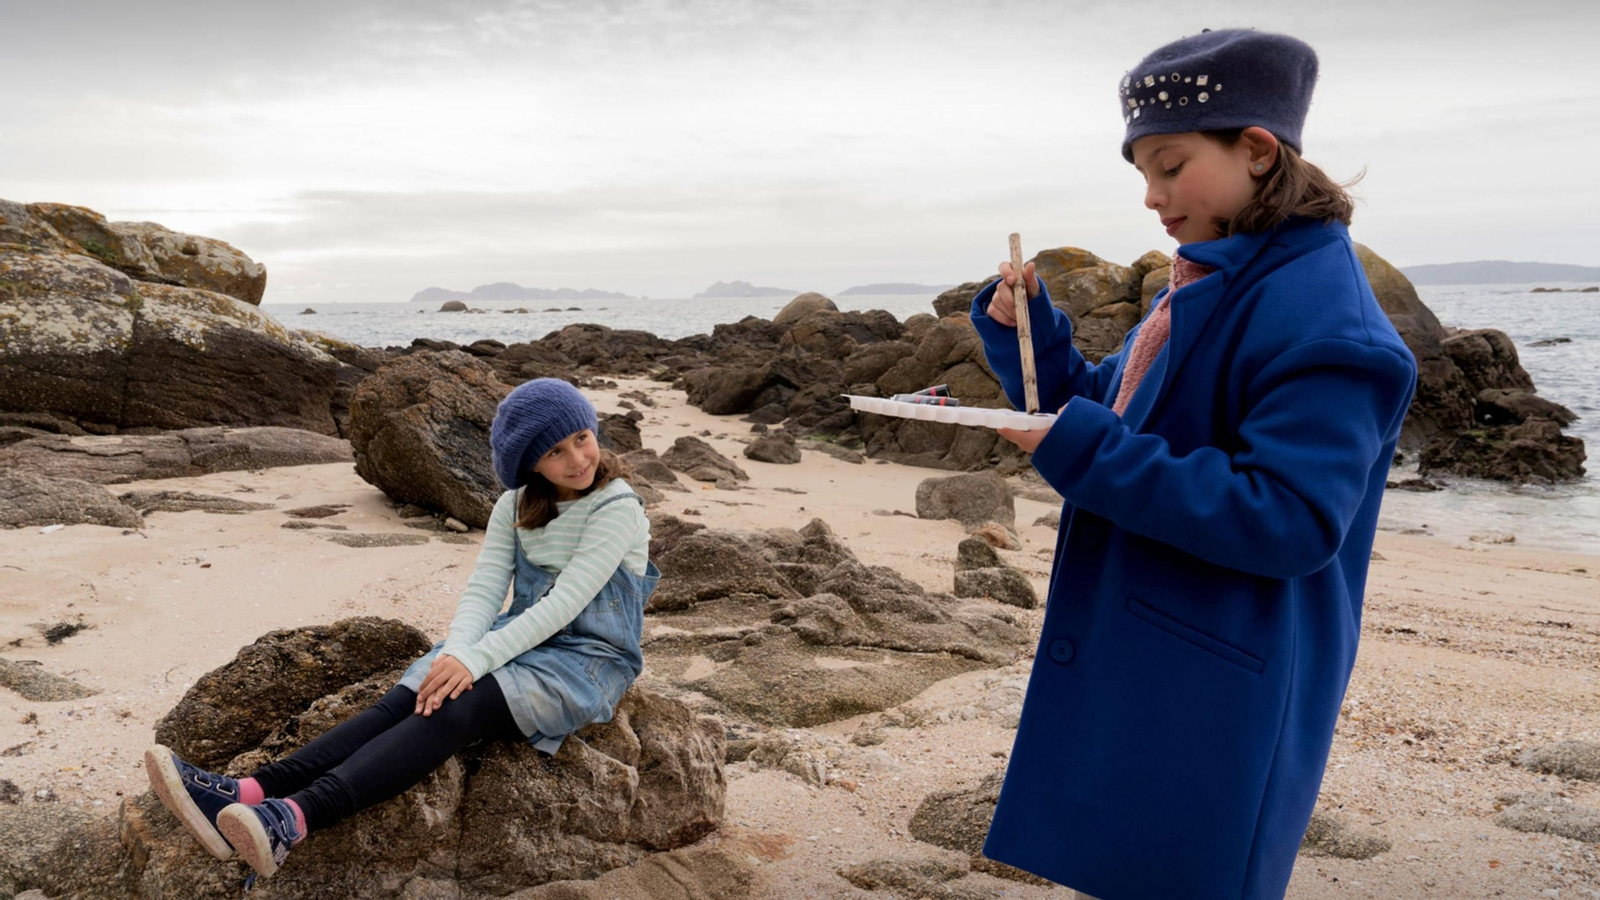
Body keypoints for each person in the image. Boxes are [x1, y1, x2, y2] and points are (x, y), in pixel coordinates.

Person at [969, 28, 1418, 900]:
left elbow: (1288, 519)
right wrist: (1034, 341)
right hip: (1153, 640)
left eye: (1170, 167)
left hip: (1226, 678)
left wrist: (1083, 449)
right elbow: (1116, 407)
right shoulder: (1215, 277)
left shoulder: (1331, 323)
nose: (1151, 196)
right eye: (1143, 172)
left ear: (1258, 150)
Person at [143, 378, 658, 879]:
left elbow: (566, 603)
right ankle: (249, 792)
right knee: (410, 696)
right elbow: (485, 590)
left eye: (582, 439)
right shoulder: (514, 505)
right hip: (519, 639)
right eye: (555, 452)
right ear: (531, 463)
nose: (577, 459)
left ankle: (294, 819)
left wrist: (476, 661)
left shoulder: (617, 507)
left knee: (457, 705)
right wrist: (458, 651)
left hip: (588, 660)